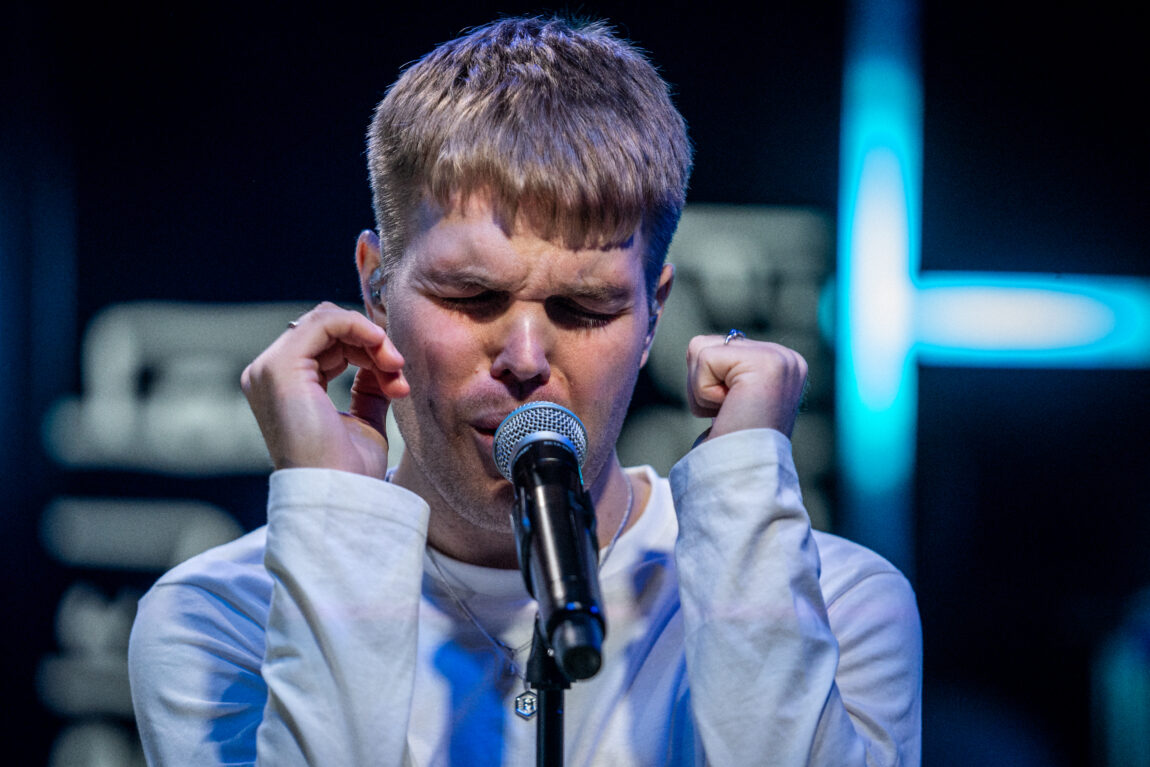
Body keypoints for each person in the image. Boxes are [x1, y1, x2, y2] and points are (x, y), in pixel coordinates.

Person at [128, 16, 921, 766]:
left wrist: (747, 495)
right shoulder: (216, 618)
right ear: (376, 290)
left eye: (586, 308)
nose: (525, 356)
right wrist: (333, 520)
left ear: (655, 316)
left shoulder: (833, 603)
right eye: (471, 296)